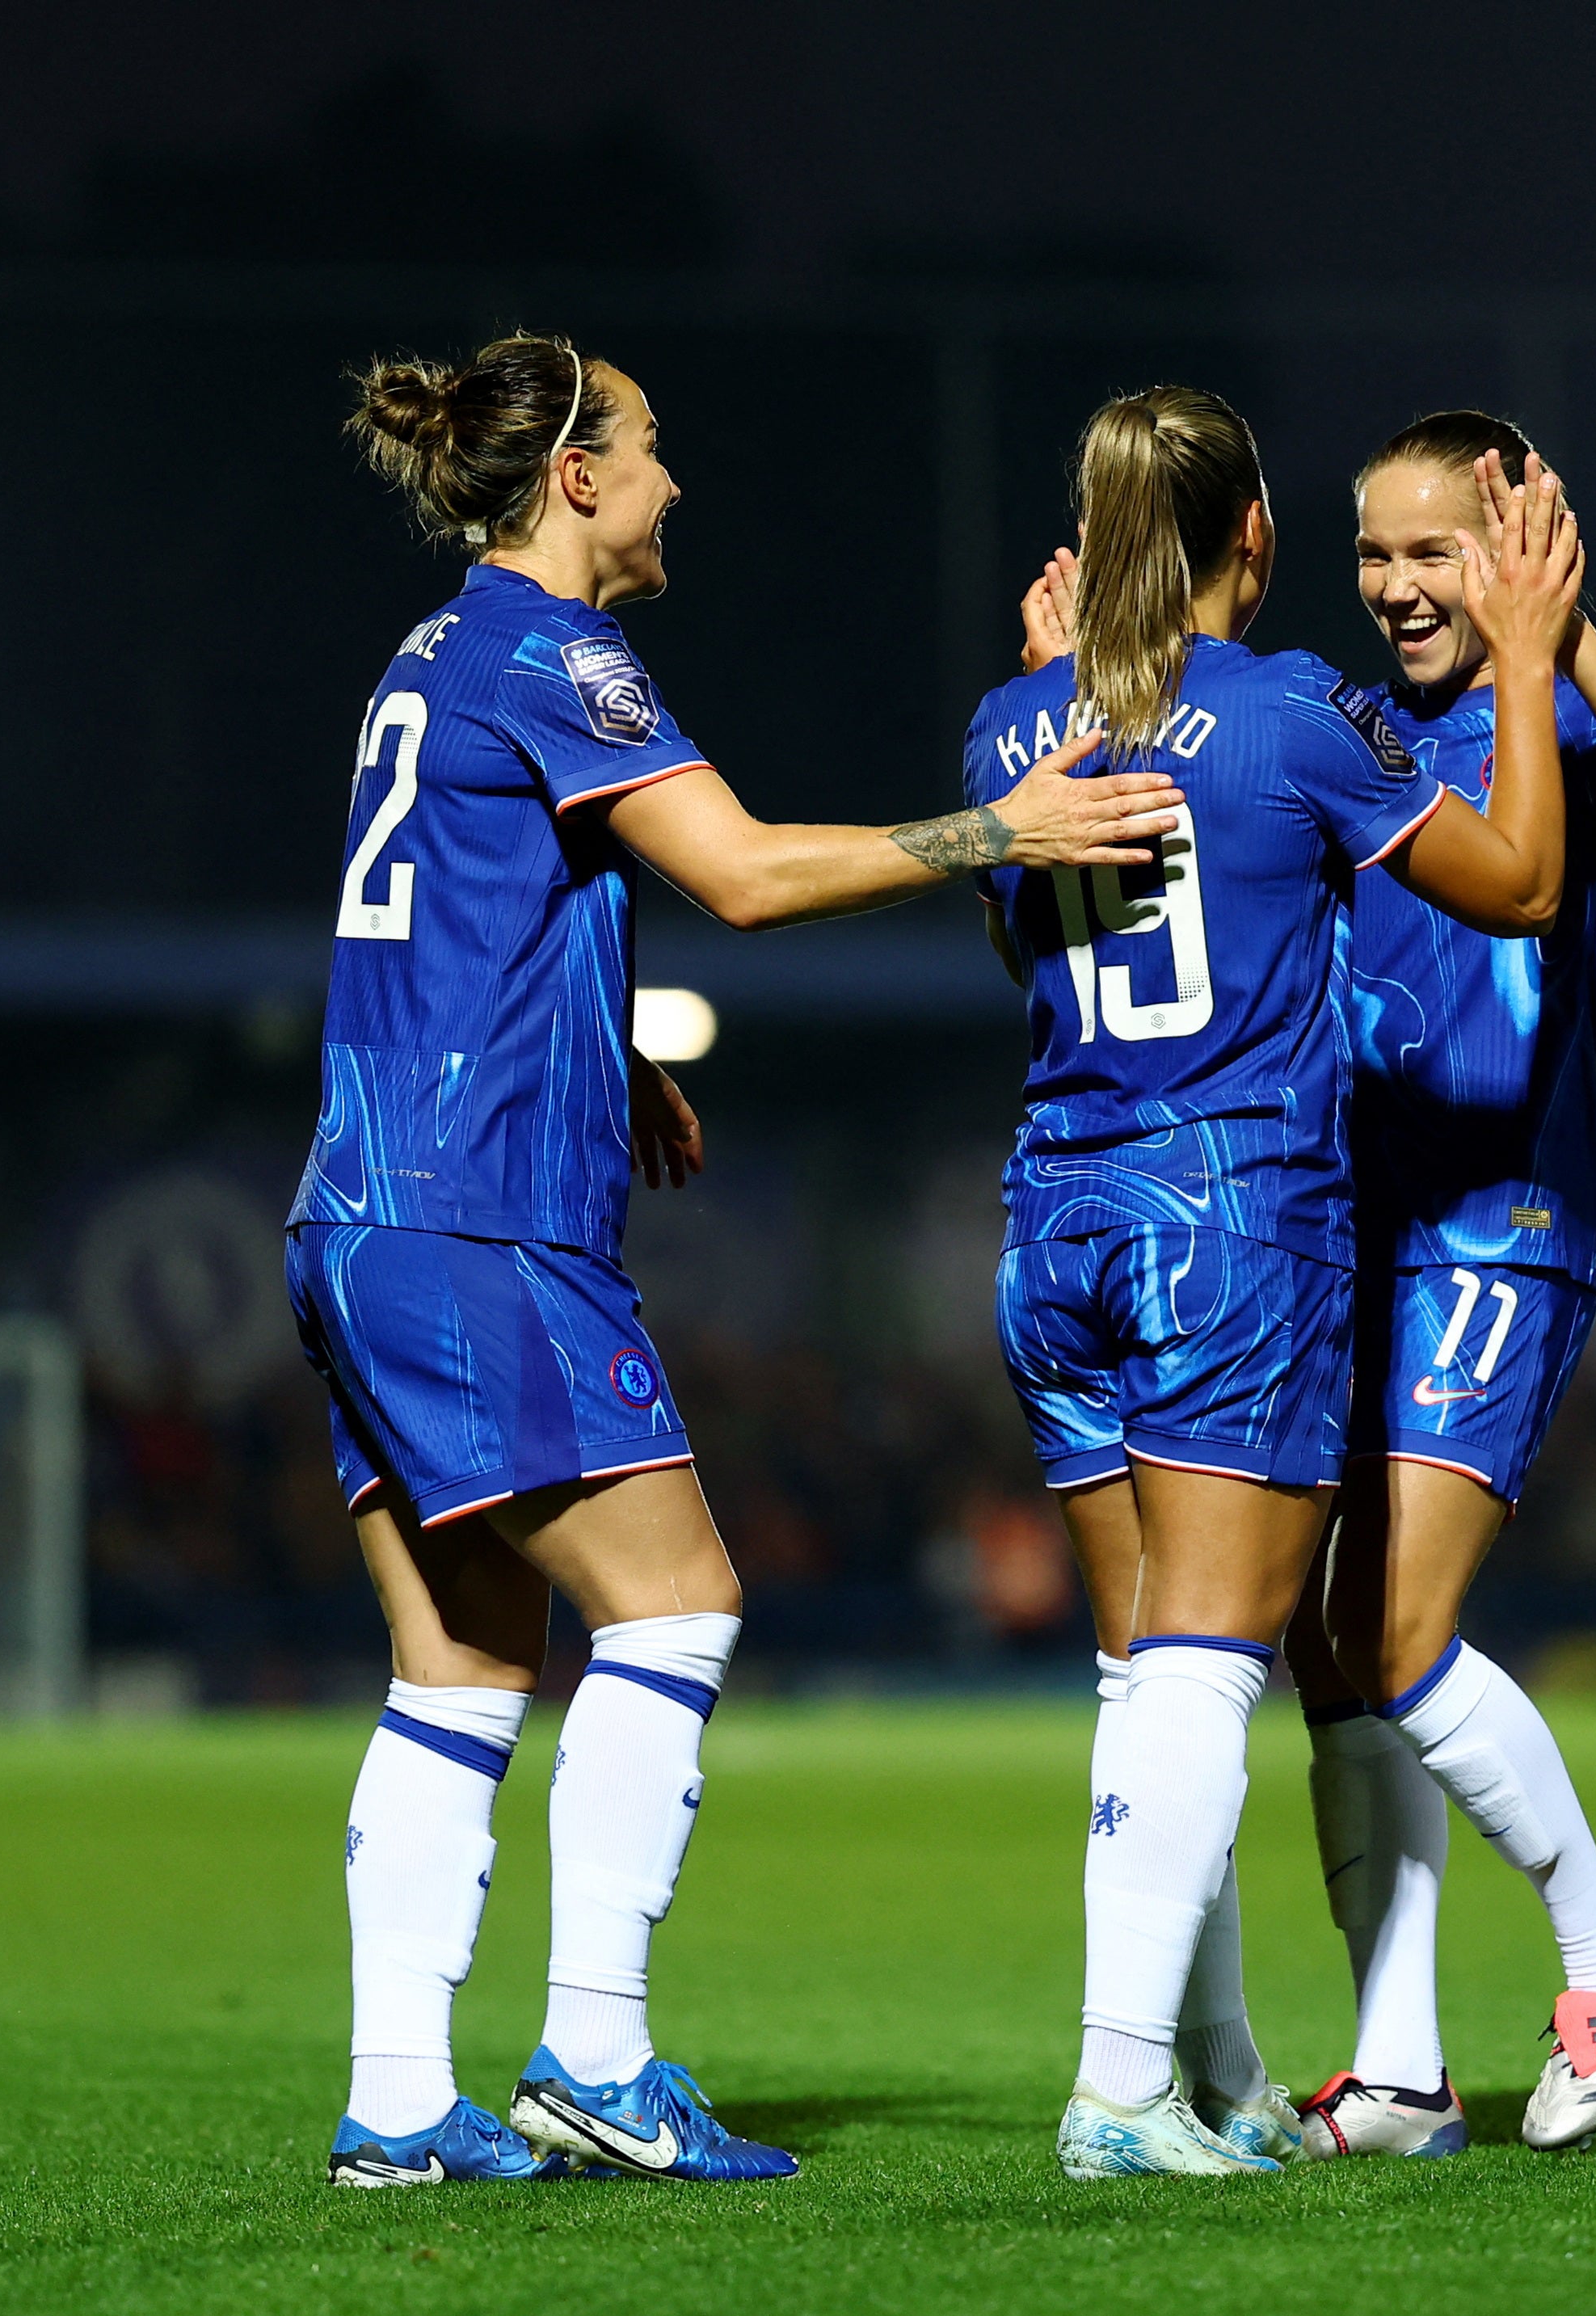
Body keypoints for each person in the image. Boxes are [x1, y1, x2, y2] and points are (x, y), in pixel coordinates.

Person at [307, 334, 1173, 2186]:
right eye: (653, 447)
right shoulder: (559, 651)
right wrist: (998, 831)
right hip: (476, 1223)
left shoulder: (431, 657)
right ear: (578, 481)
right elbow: (750, 875)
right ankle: (596, 2063)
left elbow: (455, 912)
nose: (678, 482)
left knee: (458, 1669)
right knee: (680, 1603)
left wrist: (600, 1056)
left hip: (363, 1213)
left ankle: (395, 2104)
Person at [964, 386, 1583, 2179]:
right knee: (1202, 1668)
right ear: (1255, 536)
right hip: (1227, 1216)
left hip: (1053, 1214)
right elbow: (1523, 881)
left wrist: (1050, 693)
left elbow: (1022, 930)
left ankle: (1219, 2075)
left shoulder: (1011, 721)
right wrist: (1525, 662)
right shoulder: (1297, 714)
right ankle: (1113, 2092)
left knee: (1142, 1669)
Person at [1273, 409, 1596, 2157]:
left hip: (1501, 1224)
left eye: (1433, 549)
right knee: (1330, 1646)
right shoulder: (1355, 732)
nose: (1396, 586)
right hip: (1346, 1231)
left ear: (1516, 541)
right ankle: (1394, 2070)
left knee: (1395, 1633)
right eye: (1374, 553)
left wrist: (1568, 631)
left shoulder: (1565, 715)